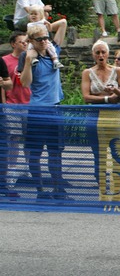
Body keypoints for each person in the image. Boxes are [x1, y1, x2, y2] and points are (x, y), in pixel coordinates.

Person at [18, 23, 68, 199]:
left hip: (55, 107)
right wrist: (28, 61)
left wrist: (44, 24)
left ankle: (58, 189)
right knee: (36, 152)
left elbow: (63, 24)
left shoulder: (53, 51)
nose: (45, 41)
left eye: (46, 37)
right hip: (38, 109)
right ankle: (40, 190)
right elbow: (25, 83)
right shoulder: (27, 55)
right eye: (40, 39)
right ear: (32, 41)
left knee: (56, 152)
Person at [3, 32, 30, 195]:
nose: (25, 44)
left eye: (27, 42)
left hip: (29, 103)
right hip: (12, 104)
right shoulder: (5, 61)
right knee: (14, 137)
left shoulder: (31, 57)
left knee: (29, 138)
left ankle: (27, 168)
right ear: (14, 44)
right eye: (21, 42)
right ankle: (11, 172)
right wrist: (4, 103)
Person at [25, 5, 65, 69]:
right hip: (33, 40)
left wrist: (49, 26)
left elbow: (49, 27)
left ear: (40, 15)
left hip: (45, 38)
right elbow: (29, 34)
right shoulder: (29, 25)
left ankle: (55, 60)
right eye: (31, 14)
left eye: (35, 14)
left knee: (51, 48)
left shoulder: (42, 22)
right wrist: (25, 40)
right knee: (29, 48)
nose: (33, 15)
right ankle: (33, 59)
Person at [0, 49, 14, 197]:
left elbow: (9, 85)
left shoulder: (0, 61)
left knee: (3, 149)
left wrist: (3, 82)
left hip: (0, 114)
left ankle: (3, 185)